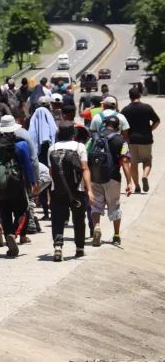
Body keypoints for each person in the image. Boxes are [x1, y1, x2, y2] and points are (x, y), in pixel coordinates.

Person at [0, 116, 37, 258]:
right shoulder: (20, 145)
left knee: (5, 212)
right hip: (16, 183)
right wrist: (32, 182)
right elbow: (27, 166)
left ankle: (8, 235)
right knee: (23, 212)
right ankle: (14, 234)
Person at [48, 121, 94, 261]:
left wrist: (55, 187)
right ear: (73, 134)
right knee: (79, 219)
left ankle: (58, 246)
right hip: (77, 190)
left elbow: (51, 172)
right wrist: (90, 190)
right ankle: (79, 248)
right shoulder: (80, 147)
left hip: (58, 190)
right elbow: (85, 168)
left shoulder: (52, 148)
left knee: (58, 218)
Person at [88, 116, 133, 247]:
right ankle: (116, 235)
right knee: (114, 206)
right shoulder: (121, 141)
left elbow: (86, 154)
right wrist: (129, 182)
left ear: (104, 124)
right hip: (112, 178)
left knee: (96, 206)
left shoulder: (94, 138)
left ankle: (96, 227)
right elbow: (125, 162)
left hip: (95, 177)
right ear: (117, 126)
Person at [121, 87, 160, 193]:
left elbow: (121, 126)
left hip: (132, 140)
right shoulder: (147, 108)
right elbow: (157, 121)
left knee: (133, 163)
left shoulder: (125, 110)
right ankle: (145, 176)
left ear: (130, 97)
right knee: (147, 160)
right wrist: (150, 129)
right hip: (146, 139)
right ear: (139, 95)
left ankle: (137, 186)